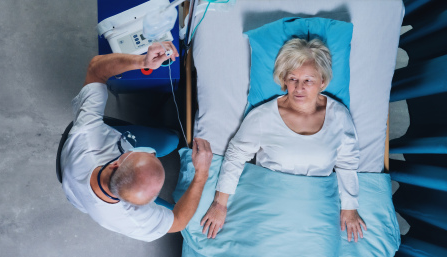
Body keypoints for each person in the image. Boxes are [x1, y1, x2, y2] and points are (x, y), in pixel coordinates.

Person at [200, 38, 367, 242]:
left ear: (322, 82)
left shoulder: (339, 116)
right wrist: (220, 204)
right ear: (284, 80)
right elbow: (236, 156)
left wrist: (349, 208)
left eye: (308, 80)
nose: (299, 87)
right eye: (293, 79)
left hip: (316, 207)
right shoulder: (263, 117)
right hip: (271, 204)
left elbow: (347, 163)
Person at [61, 42, 213, 242]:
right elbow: (178, 222)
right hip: (78, 180)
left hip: (77, 175)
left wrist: (143, 62)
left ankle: (169, 138)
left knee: (169, 141)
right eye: (148, 154)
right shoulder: (136, 221)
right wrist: (201, 175)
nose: (152, 153)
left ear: (115, 163)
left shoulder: (88, 133)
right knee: (169, 147)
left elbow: (96, 69)